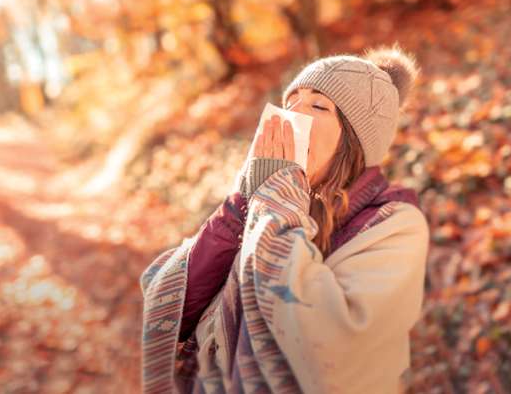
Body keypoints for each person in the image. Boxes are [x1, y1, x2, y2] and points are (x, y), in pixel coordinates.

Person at [140, 43, 430, 394]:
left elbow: (328, 345)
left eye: (318, 106)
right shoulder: (261, 203)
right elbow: (170, 305)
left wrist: (274, 203)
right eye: (291, 102)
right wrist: (240, 207)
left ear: (354, 141)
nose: (293, 114)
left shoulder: (396, 224)